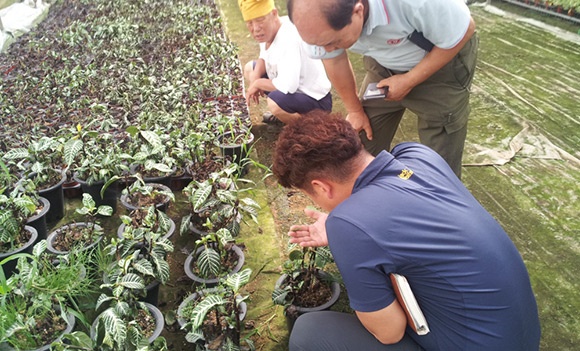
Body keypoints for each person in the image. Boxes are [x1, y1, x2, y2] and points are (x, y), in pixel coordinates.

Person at [272, 111, 541, 351]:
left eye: (311, 195)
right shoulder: (418, 156)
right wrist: (348, 228)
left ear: (320, 187)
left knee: (310, 332)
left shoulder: (348, 224)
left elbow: (389, 333)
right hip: (520, 336)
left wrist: (344, 228)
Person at [287, 0, 479, 178]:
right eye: (317, 44)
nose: (326, 50)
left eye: (331, 42)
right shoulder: (318, 27)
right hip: (382, 61)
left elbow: (465, 29)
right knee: (361, 143)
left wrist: (409, 80)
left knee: (440, 161)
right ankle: (377, 199)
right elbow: (334, 60)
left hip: (441, 60)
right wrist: (354, 110)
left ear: (358, 11)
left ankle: (437, 204)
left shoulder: (418, 3)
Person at [238, 0, 332, 125]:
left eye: (260, 20)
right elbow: (263, 56)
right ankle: (286, 115)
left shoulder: (289, 38)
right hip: (295, 90)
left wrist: (258, 83)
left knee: (274, 103)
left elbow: (288, 86)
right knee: (250, 69)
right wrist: (255, 77)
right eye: (250, 23)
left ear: (274, 13)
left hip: (316, 100)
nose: (255, 28)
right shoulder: (267, 31)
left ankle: (311, 129)